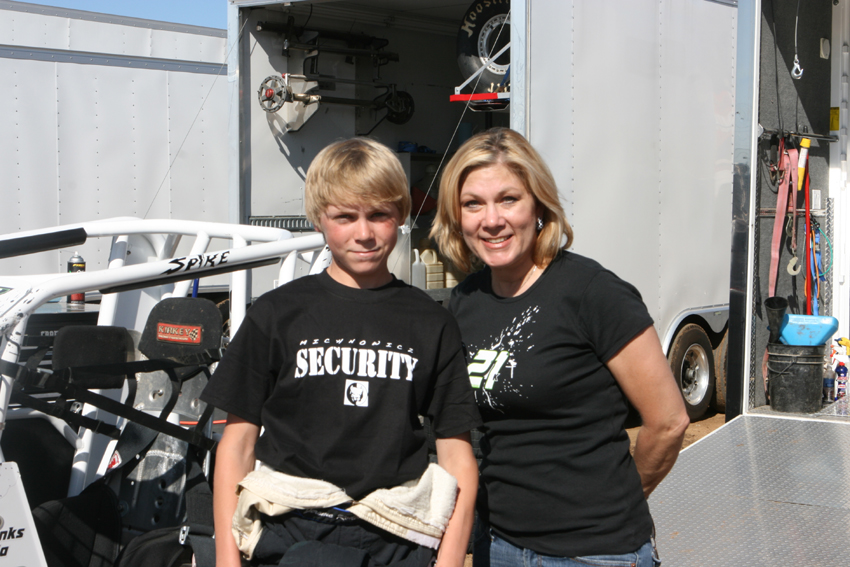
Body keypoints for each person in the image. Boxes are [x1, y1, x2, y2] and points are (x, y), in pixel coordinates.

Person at [202, 137, 481, 567]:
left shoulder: (432, 321)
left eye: (379, 215)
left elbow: (457, 458)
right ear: (319, 218)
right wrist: (226, 557)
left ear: (401, 215)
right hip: (287, 530)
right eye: (345, 217)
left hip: (393, 535)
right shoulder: (276, 313)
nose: (363, 233)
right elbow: (237, 445)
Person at [430, 128, 690, 567]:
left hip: (594, 552)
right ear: (456, 216)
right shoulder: (465, 301)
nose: (491, 220)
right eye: (473, 203)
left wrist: (621, 497)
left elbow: (668, 421)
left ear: (539, 206)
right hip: (499, 544)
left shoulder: (592, 292)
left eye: (509, 199)